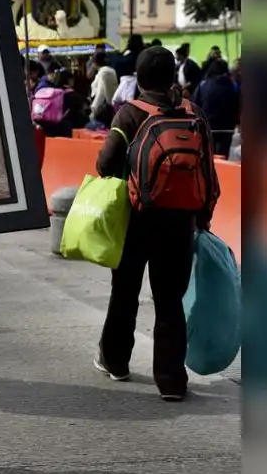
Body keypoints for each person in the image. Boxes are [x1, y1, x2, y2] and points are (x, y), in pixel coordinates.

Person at [95, 46, 220, 401]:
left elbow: (105, 165)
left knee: (125, 292)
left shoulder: (129, 114)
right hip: (180, 222)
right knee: (170, 300)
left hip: (136, 219)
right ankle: (171, 381)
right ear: (173, 76)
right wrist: (203, 217)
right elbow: (207, 170)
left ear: (139, 77)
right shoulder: (194, 114)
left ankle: (115, 361)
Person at [191, 58, 241, 157]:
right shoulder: (233, 86)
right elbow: (239, 105)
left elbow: (194, 104)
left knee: (208, 154)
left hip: (208, 126)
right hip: (227, 127)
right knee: (223, 154)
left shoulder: (203, 85)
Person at [87, 53, 119, 128]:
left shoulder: (104, 72)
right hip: (108, 107)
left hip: (103, 109)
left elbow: (101, 92)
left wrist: (94, 108)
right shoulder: (108, 71)